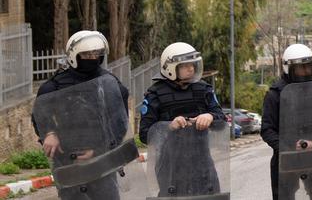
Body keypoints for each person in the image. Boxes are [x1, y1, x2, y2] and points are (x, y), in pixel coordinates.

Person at [33, 31, 130, 200]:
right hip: (67, 160)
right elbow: (39, 113)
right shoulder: (54, 86)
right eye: (87, 54)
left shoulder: (110, 84)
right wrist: (49, 133)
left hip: (102, 159)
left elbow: (120, 124)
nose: (92, 58)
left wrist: (99, 150)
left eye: (96, 53)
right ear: (74, 55)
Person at [139, 42, 226, 197]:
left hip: (202, 162)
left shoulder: (203, 89)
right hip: (170, 166)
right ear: (171, 67)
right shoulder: (155, 94)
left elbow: (222, 121)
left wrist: (210, 116)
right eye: (185, 65)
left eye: (192, 64)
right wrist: (168, 126)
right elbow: (145, 134)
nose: (191, 68)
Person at [262, 44, 312, 200]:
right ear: (288, 68)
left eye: (308, 66)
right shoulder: (275, 94)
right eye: (301, 67)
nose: (306, 71)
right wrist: (289, 147)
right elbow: (267, 130)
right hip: (286, 160)